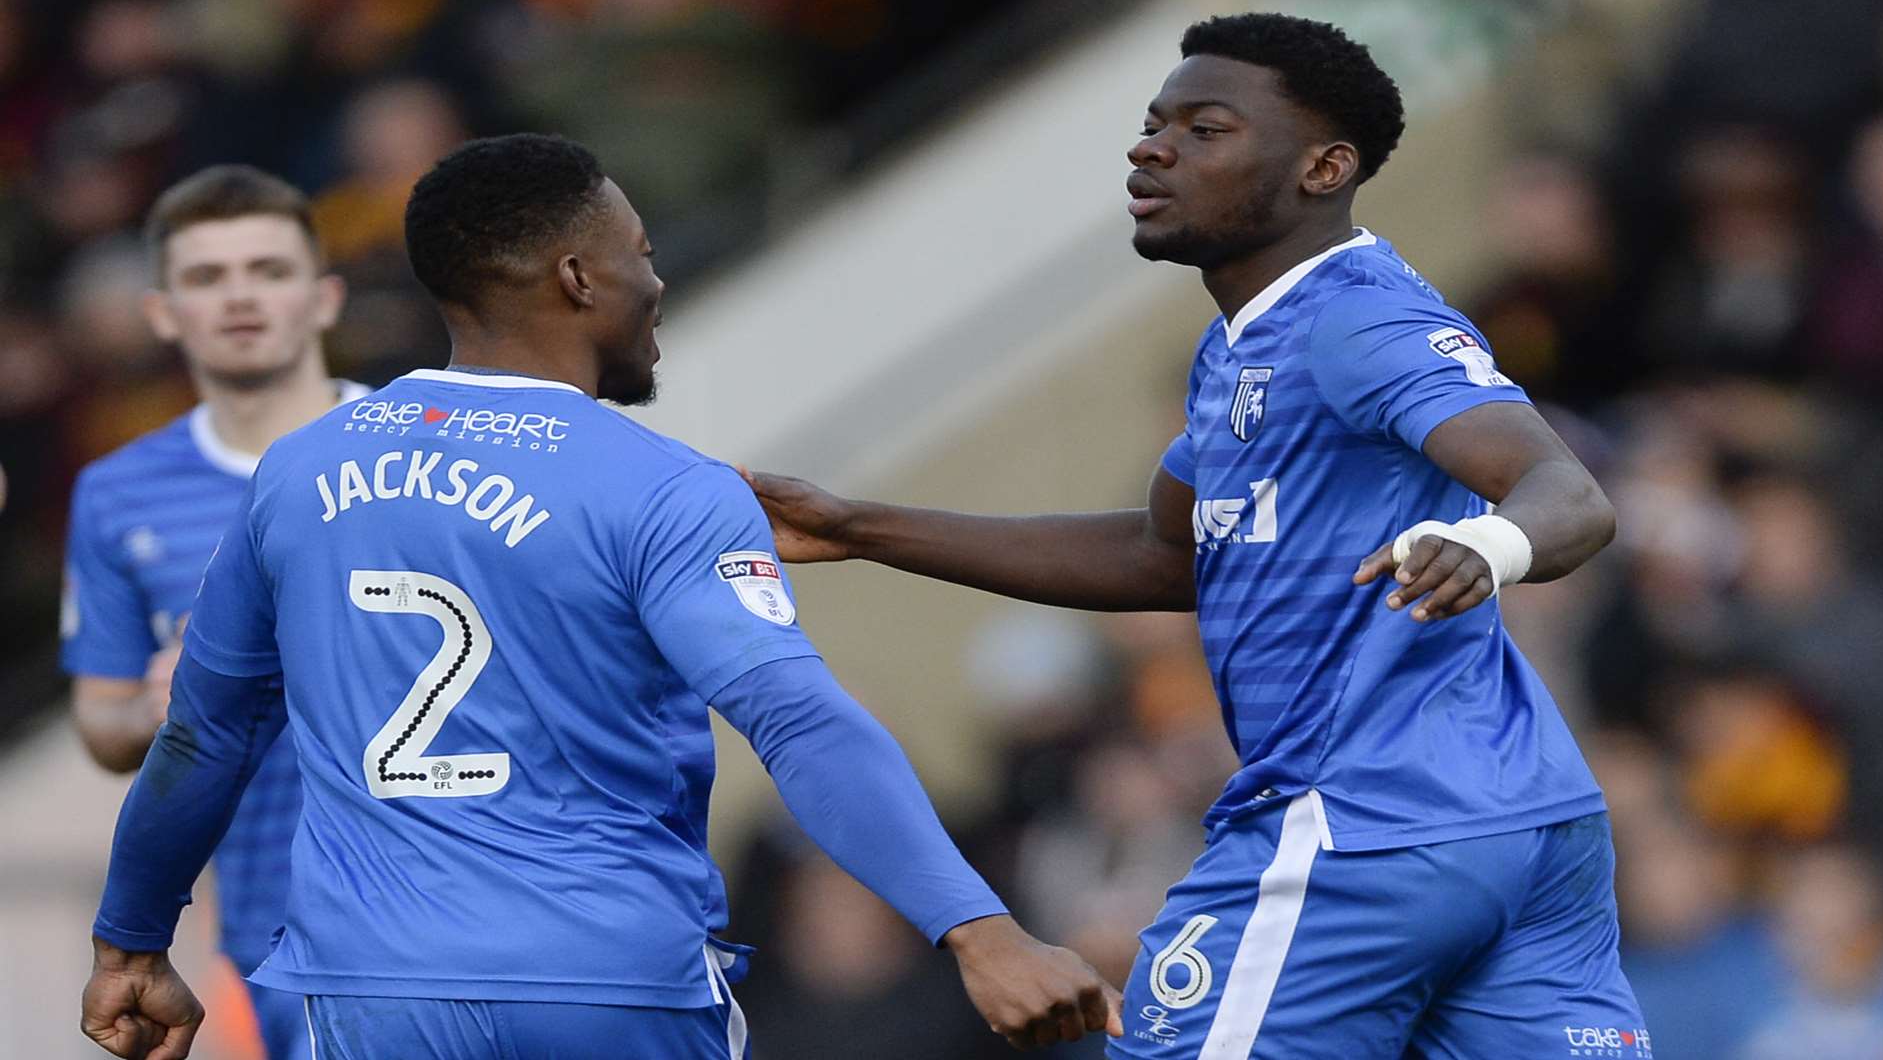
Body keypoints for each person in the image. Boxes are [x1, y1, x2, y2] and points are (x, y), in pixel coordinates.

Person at [79, 134, 1118, 1060]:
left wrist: (131, 942)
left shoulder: (298, 477)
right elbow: (795, 721)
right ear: (579, 276)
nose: (654, 282)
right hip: (609, 984)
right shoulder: (664, 487)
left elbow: (201, 740)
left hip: (375, 992)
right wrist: (981, 931)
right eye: (643, 254)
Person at [747, 13, 1646, 1059]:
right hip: (1519, 820)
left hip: (1360, 820)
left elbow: (1567, 491)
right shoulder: (1245, 346)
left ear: (1324, 166)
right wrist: (856, 526)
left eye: (1205, 129)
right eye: (1152, 124)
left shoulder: (1355, 319)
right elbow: (1159, 555)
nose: (1153, 148)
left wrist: (1490, 546)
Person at [63, 164, 367, 1060]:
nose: (240, 296)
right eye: (206, 277)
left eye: (268, 271)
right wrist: (170, 703)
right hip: (276, 929)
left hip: (462, 891)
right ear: (163, 312)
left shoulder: (418, 447)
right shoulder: (119, 493)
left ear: (324, 297)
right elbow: (101, 724)